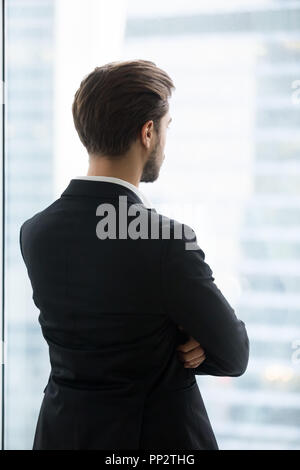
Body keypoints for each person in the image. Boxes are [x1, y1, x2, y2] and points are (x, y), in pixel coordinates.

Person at [19, 59, 249, 450]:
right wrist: (184, 336)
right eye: (166, 128)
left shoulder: (36, 233)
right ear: (147, 133)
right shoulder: (166, 240)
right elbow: (234, 355)